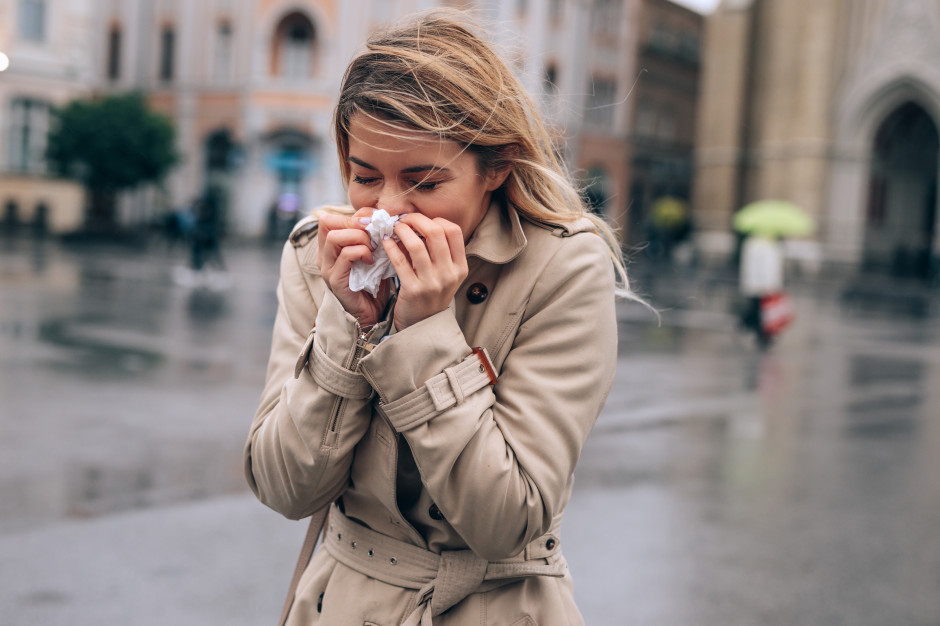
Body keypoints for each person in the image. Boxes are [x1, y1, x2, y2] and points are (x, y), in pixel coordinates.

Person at [245, 11, 635, 625]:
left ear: (497, 167)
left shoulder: (564, 267)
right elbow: (285, 487)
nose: (389, 210)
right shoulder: (315, 254)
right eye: (365, 177)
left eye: (424, 183)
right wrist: (350, 326)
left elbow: (508, 519)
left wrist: (426, 335)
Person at [738, 233, 785, 348]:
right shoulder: (773, 246)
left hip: (757, 285)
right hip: (765, 286)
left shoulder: (751, 244)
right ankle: (758, 332)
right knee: (763, 312)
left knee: (760, 310)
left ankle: (751, 327)